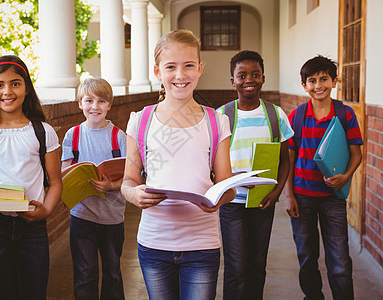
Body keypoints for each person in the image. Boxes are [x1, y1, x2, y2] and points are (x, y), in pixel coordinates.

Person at [120, 29, 235, 300]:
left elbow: (226, 186)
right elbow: (128, 180)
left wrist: (221, 198)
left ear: (200, 68)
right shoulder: (140, 120)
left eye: (188, 66)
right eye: (171, 67)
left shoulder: (217, 122)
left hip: (202, 244)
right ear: (158, 72)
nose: (180, 75)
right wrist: (134, 194)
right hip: (153, 243)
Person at [0, 55, 62, 299]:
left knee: (34, 293)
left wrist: (46, 210)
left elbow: (56, 182)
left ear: (27, 88)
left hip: (32, 225)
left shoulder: (42, 131)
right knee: (4, 293)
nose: (8, 91)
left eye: (15, 83)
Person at [217, 50, 293, 300]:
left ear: (263, 78)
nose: (249, 79)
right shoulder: (221, 117)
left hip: (263, 201)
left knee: (257, 266)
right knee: (236, 268)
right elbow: (211, 163)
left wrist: (277, 192)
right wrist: (231, 178)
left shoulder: (275, 115)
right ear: (233, 81)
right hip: (232, 202)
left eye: (255, 74)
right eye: (242, 75)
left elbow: (285, 159)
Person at [286, 55, 363, 300]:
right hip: (302, 197)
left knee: (339, 258)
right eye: (312, 81)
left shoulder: (345, 114)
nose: (318, 85)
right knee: (307, 257)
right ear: (304, 85)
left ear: (334, 81)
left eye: (324, 79)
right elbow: (288, 160)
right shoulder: (296, 117)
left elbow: (356, 153)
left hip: (332, 199)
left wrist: (346, 177)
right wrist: (290, 196)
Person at [61, 78, 127, 300]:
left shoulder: (119, 137)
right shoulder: (73, 135)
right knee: (85, 273)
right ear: (80, 103)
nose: (95, 106)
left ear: (109, 105)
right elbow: (64, 172)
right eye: (89, 100)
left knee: (113, 273)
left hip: (112, 217)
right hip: (82, 216)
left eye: (101, 101)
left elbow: (131, 177)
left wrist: (111, 185)